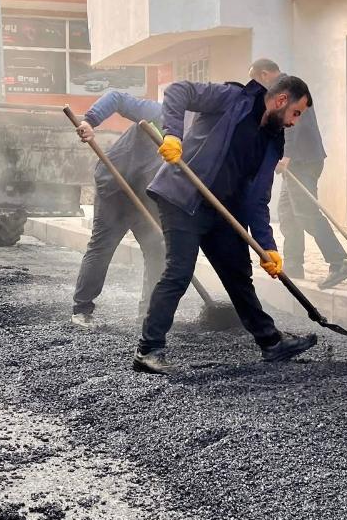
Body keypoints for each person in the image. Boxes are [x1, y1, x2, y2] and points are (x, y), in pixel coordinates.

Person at [133, 73, 315, 375]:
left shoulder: (272, 142)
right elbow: (179, 91)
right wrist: (173, 134)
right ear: (281, 100)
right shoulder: (232, 99)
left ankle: (271, 342)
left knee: (238, 275)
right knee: (179, 271)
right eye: (296, 112)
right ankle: (148, 350)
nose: (294, 121)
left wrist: (267, 248)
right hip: (184, 198)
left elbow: (257, 199)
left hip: (221, 212)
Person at [251, 59, 347, 289]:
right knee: (288, 214)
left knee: (306, 213)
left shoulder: (285, 88)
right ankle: (293, 266)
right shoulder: (286, 86)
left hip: (302, 160)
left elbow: (293, 122)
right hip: (302, 160)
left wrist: (286, 155)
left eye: (256, 82)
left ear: (263, 75)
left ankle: (338, 260)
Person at [70, 89, 166, 327]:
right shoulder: (161, 113)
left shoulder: (196, 139)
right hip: (115, 186)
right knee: (103, 245)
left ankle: (148, 314)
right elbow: (117, 98)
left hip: (147, 196)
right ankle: (81, 310)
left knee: (158, 249)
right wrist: (89, 121)